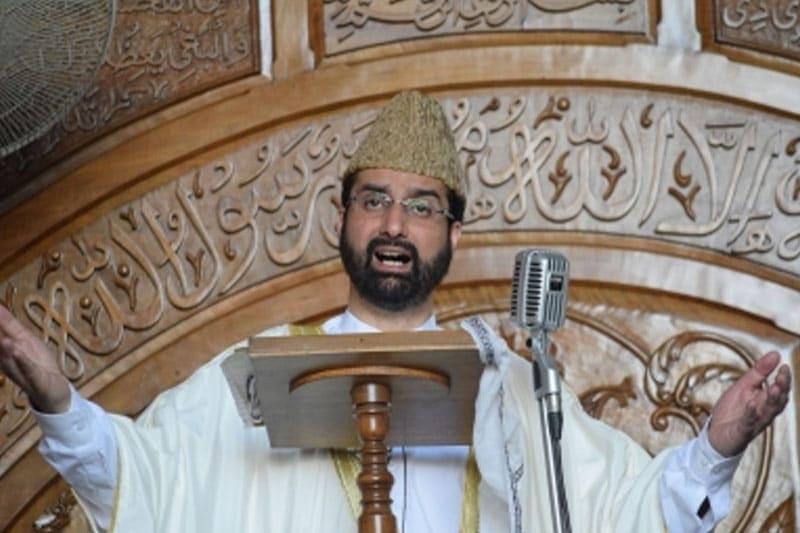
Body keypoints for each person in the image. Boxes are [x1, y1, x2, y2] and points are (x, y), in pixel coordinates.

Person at [0, 91, 792, 532]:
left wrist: (718, 445)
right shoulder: (259, 373)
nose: (393, 226)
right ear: (341, 218)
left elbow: (628, 513)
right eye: (374, 200)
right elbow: (143, 477)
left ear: (454, 233)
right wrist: (56, 398)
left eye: (420, 207)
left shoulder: (510, 388)